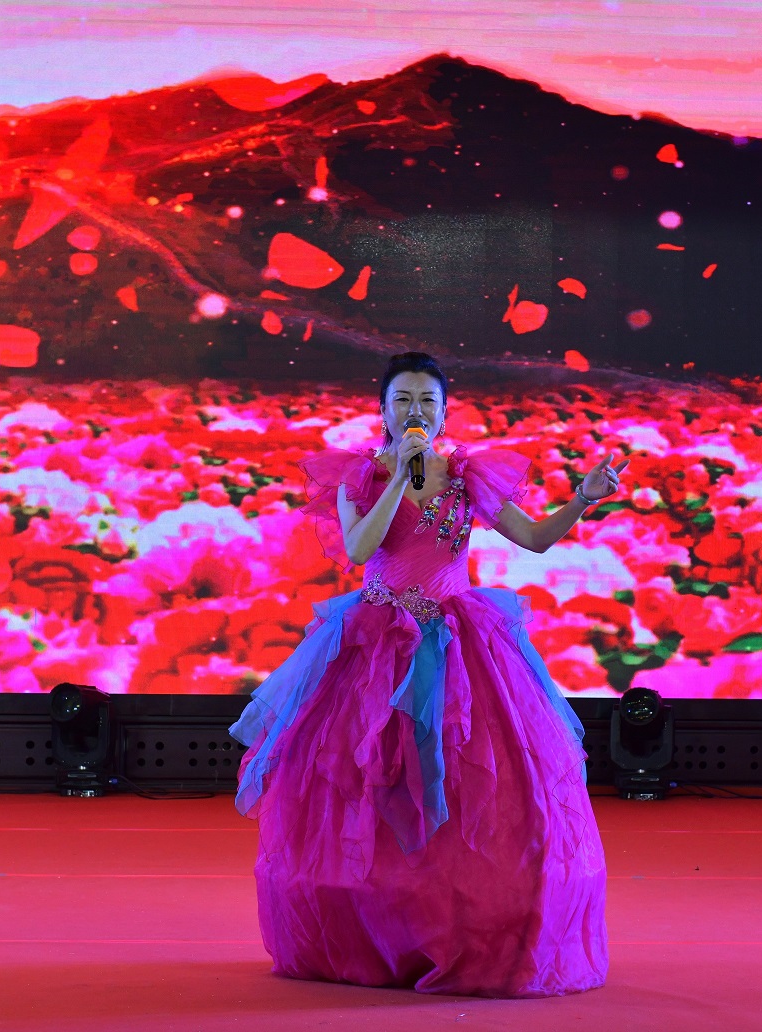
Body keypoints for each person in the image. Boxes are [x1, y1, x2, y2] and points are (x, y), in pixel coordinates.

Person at [229, 351, 627, 997]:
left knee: (469, 782)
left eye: (428, 402)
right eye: (404, 400)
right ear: (383, 409)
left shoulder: (470, 476)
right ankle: (373, 933)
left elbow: (534, 539)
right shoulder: (357, 476)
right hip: (374, 647)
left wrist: (583, 497)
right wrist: (398, 479)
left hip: (462, 645)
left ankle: (460, 929)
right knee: (367, 781)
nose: (416, 411)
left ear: (444, 411)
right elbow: (358, 549)